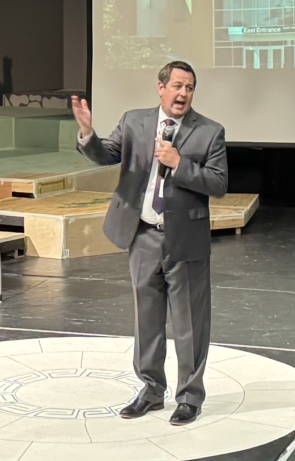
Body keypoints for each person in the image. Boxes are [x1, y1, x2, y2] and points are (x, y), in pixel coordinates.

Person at [70, 60, 227, 425]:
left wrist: (179, 163)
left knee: (189, 323)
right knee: (148, 319)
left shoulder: (209, 132)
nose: (182, 94)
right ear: (160, 88)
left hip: (185, 240)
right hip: (142, 235)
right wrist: (87, 135)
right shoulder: (135, 121)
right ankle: (151, 391)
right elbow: (106, 155)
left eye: (189, 87)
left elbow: (218, 184)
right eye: (176, 86)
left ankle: (189, 397)